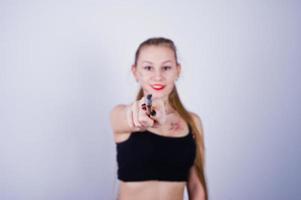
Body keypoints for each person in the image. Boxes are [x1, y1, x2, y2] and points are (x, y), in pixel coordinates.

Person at [110, 37, 208, 200]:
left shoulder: (192, 122)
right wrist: (142, 115)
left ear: (178, 70)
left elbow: (196, 187)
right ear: (135, 72)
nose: (158, 76)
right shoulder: (120, 113)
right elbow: (129, 117)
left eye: (166, 67)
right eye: (148, 67)